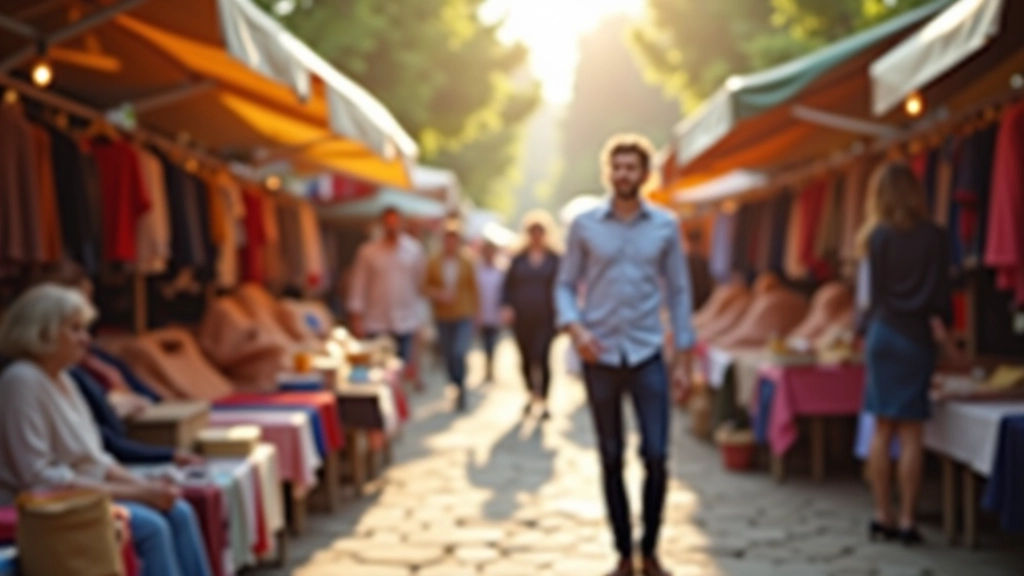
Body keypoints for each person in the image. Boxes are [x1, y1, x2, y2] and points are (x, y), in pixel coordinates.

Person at [0, 284, 212, 576]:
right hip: (47, 510)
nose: (85, 339)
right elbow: (38, 480)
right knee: (151, 527)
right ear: (42, 331)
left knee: (180, 510)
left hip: (82, 495)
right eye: (74, 329)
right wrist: (137, 493)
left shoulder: (63, 378)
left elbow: (95, 458)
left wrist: (145, 487)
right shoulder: (21, 381)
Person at [555, 134, 695, 576]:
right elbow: (563, 284)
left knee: (656, 454)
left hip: (648, 351)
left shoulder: (666, 227)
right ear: (607, 172)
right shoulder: (584, 225)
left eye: (631, 168)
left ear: (645, 174)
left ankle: (650, 548)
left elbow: (679, 291)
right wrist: (576, 329)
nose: (623, 175)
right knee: (610, 455)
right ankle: (622, 551)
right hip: (600, 354)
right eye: (617, 168)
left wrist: (684, 358)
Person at [857, 162, 953, 545]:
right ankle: (910, 520)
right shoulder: (936, 237)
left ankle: (883, 514)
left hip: (882, 334)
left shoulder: (874, 238)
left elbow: (866, 298)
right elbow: (942, 298)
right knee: (913, 431)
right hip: (916, 337)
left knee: (882, 428)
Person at [348, 206, 427, 387]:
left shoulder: (414, 250)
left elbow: (419, 287)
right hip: (376, 321)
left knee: (399, 369)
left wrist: (420, 319)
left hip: (405, 321)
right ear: (382, 224)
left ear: (402, 224)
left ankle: (399, 408)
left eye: (395, 223)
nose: (392, 227)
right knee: (377, 371)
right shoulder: (368, 251)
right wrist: (357, 317)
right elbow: (358, 285)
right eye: (388, 223)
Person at [502, 210, 561, 419]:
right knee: (526, 358)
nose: (536, 235)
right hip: (522, 317)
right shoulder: (518, 259)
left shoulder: (555, 259)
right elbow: (507, 286)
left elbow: (563, 288)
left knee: (543, 357)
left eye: (540, 231)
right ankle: (530, 393)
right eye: (533, 231)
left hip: (546, 317)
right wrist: (507, 306)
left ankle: (544, 399)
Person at [424, 220, 479, 411]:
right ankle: (455, 383)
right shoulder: (434, 261)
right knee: (448, 355)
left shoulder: (467, 261)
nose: (451, 243)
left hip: (463, 313)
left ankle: (461, 386)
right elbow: (424, 287)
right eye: (448, 239)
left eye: (454, 240)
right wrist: (438, 294)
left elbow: (474, 289)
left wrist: (477, 314)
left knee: (459, 352)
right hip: (443, 315)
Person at [475, 239, 506, 382]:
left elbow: (504, 293)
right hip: (481, 313)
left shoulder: (500, 271)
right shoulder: (477, 270)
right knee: (484, 342)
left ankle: (490, 367)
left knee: (492, 342)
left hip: (495, 313)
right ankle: (487, 366)